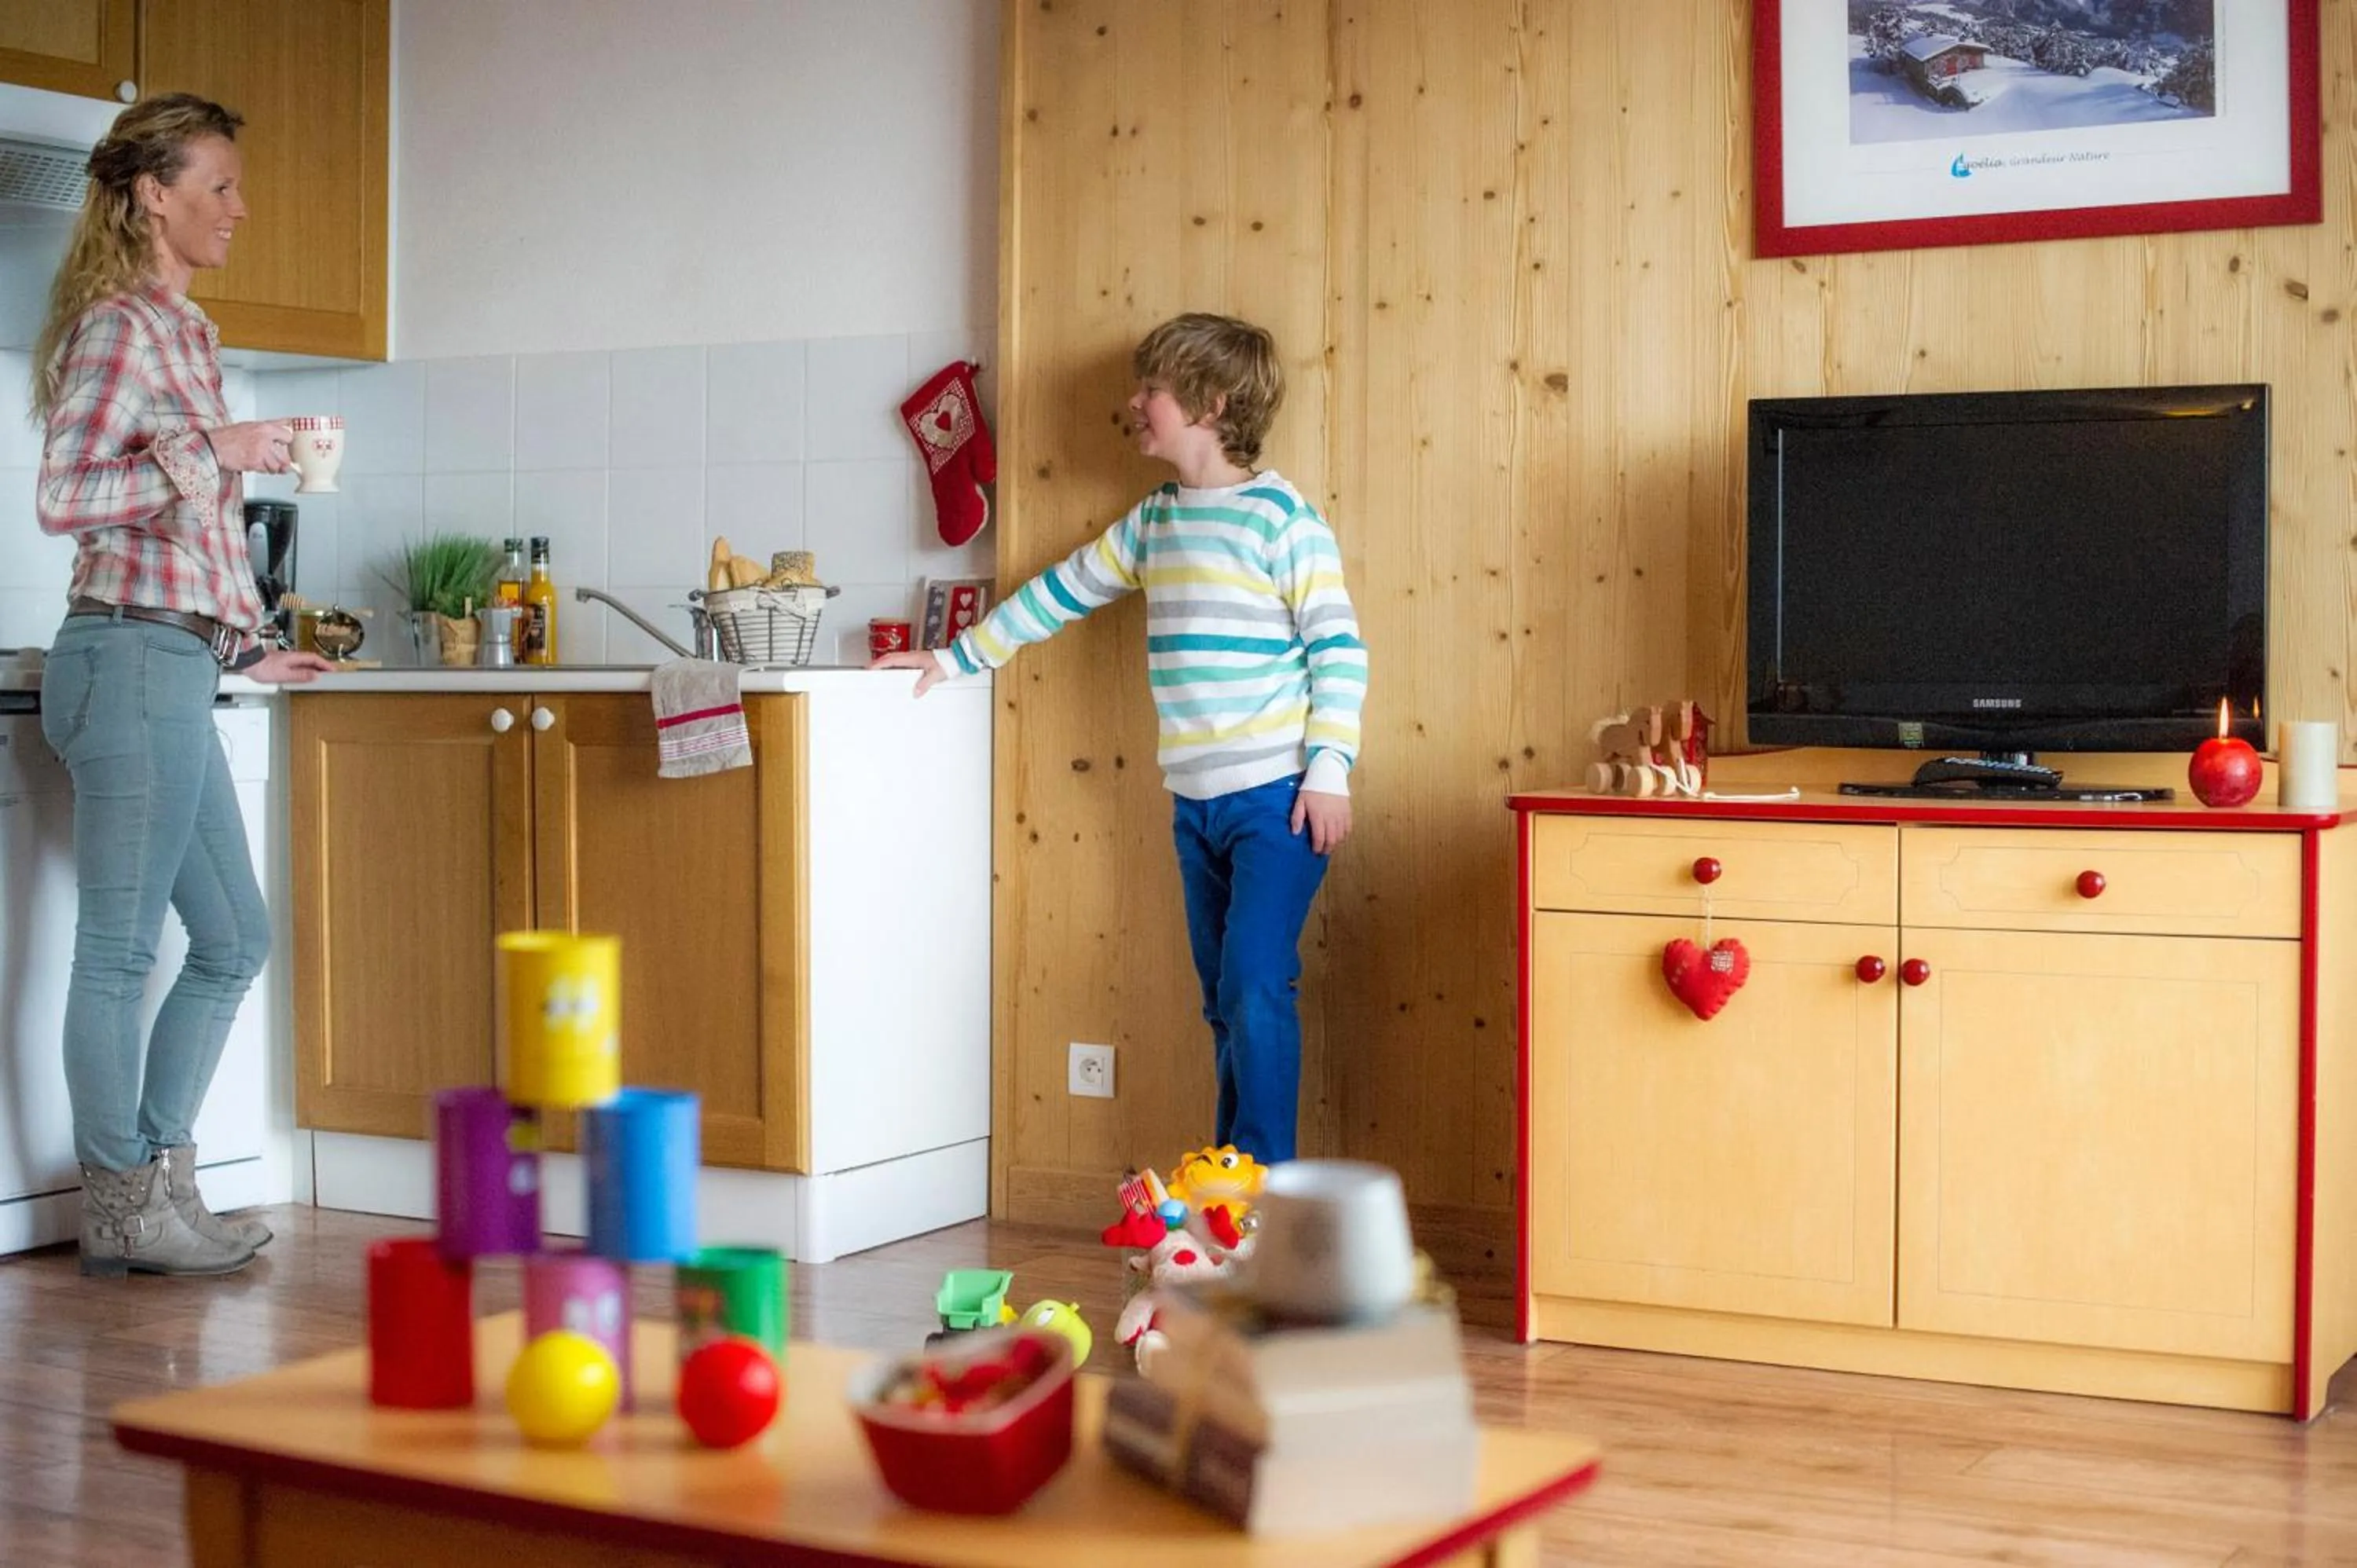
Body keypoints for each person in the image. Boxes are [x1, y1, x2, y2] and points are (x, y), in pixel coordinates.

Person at [874, 313, 1366, 1163]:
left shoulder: (1283, 523)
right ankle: (1232, 1185)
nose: (1133, 402)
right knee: (1221, 999)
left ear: (1211, 403)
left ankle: (1267, 1191)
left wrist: (1329, 768)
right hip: (1196, 807)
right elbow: (1059, 592)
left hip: (1278, 803)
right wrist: (957, 659)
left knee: (1255, 985)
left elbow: (1339, 650)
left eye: (1153, 389)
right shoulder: (1156, 522)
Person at [27, 93, 335, 1277]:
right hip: (124, 658)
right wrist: (218, 450)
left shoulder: (186, 335)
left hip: (174, 658)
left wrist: (248, 642)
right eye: (219, 185)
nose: (239, 208)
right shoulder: (118, 327)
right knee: (116, 949)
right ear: (154, 193)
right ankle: (122, 1206)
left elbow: (183, 532)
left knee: (233, 937)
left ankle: (165, 1176)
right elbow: (66, 498)